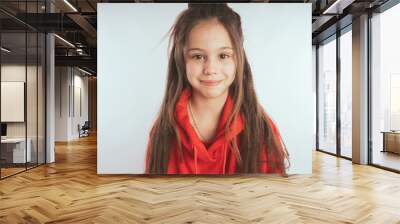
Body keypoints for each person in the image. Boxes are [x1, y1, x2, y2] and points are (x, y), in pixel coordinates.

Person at [146, 3, 289, 175]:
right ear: (181, 61)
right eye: (198, 56)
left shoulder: (262, 129)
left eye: (223, 56)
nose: (210, 69)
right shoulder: (162, 132)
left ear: (238, 59)